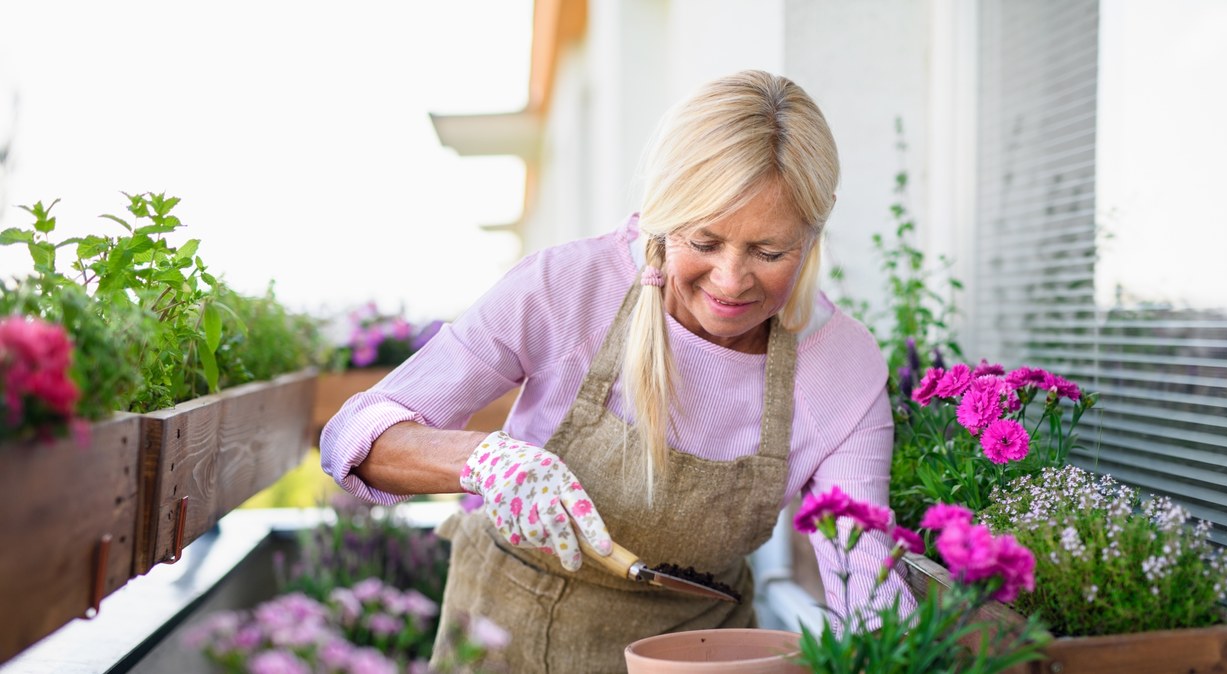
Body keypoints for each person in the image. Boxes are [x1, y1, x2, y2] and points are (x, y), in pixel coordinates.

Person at [321, 69, 913, 673]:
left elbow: (863, 575)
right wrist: (484, 462)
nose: (731, 281)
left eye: (770, 252)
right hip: (506, 637)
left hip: (699, 652)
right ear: (661, 210)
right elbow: (354, 437)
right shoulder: (568, 288)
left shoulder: (842, 367)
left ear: (816, 229)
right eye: (704, 242)